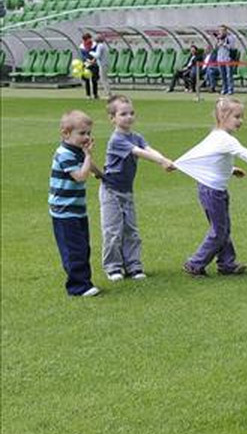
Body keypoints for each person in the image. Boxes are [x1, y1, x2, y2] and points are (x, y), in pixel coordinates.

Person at [174, 98, 247, 277]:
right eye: (237, 116)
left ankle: (226, 263)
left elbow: (212, 160)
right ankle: (195, 263)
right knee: (219, 231)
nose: (241, 121)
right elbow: (244, 153)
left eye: (242, 117)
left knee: (223, 227)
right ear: (223, 116)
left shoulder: (217, 136)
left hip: (213, 190)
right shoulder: (224, 139)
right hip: (212, 191)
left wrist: (231, 170)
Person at [99, 95, 175, 281]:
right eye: (123, 114)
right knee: (113, 230)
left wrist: (164, 159)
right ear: (113, 118)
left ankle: (133, 266)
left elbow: (149, 149)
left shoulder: (136, 136)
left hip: (127, 191)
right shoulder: (116, 139)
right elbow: (138, 153)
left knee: (131, 230)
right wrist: (162, 162)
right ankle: (113, 267)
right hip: (111, 191)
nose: (129, 117)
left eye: (131, 113)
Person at [48, 110, 104, 296]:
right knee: (74, 250)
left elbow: (89, 166)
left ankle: (84, 282)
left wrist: (102, 174)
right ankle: (78, 287)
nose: (86, 137)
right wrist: (88, 156)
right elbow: (80, 176)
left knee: (83, 247)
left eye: (88, 133)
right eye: (82, 133)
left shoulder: (77, 151)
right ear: (65, 133)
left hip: (77, 209)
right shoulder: (64, 154)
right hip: (64, 212)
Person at [214, 24, 236, 95]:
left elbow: (232, 48)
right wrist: (218, 44)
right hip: (220, 58)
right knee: (222, 75)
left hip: (228, 59)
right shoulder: (219, 38)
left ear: (226, 31)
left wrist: (224, 44)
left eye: (222, 30)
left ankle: (230, 89)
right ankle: (224, 89)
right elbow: (215, 48)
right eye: (220, 31)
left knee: (229, 75)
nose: (221, 32)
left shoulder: (230, 38)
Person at [79, 33, 99, 99]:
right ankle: (88, 95)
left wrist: (93, 60)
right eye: (86, 39)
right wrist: (88, 60)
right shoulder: (82, 46)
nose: (88, 40)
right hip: (86, 64)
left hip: (94, 63)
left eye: (89, 38)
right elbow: (82, 56)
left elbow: (97, 53)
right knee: (87, 80)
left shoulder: (95, 45)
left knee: (94, 80)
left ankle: (95, 94)